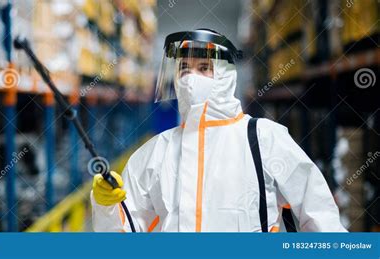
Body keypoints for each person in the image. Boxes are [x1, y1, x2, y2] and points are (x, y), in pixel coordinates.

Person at [91, 29, 347, 232]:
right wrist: (106, 207)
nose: (191, 79)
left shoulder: (264, 140)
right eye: (184, 69)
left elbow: (320, 218)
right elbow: (123, 236)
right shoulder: (155, 153)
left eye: (204, 68)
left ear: (226, 76)